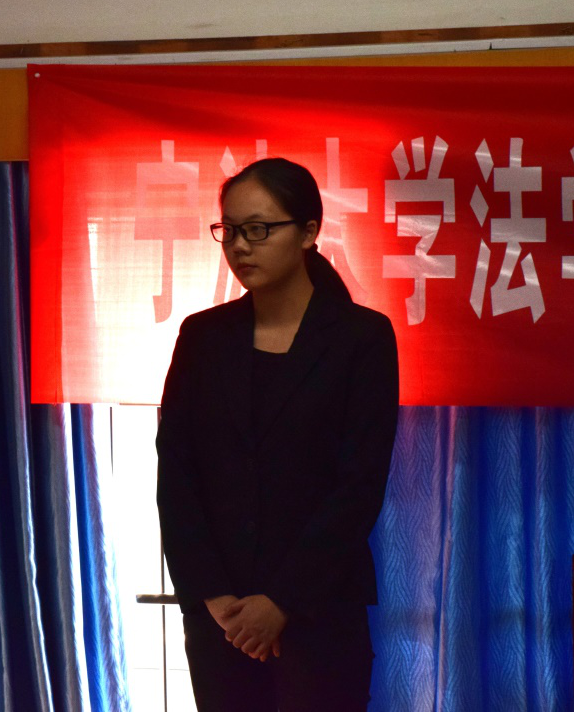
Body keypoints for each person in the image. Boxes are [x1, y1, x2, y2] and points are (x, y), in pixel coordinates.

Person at [156, 158, 399, 712]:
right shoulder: (202, 337)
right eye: (230, 230)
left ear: (309, 232)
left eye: (259, 229)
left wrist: (281, 602)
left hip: (319, 612)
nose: (240, 246)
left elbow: (359, 486)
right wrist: (216, 597)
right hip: (222, 621)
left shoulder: (362, 338)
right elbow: (177, 475)